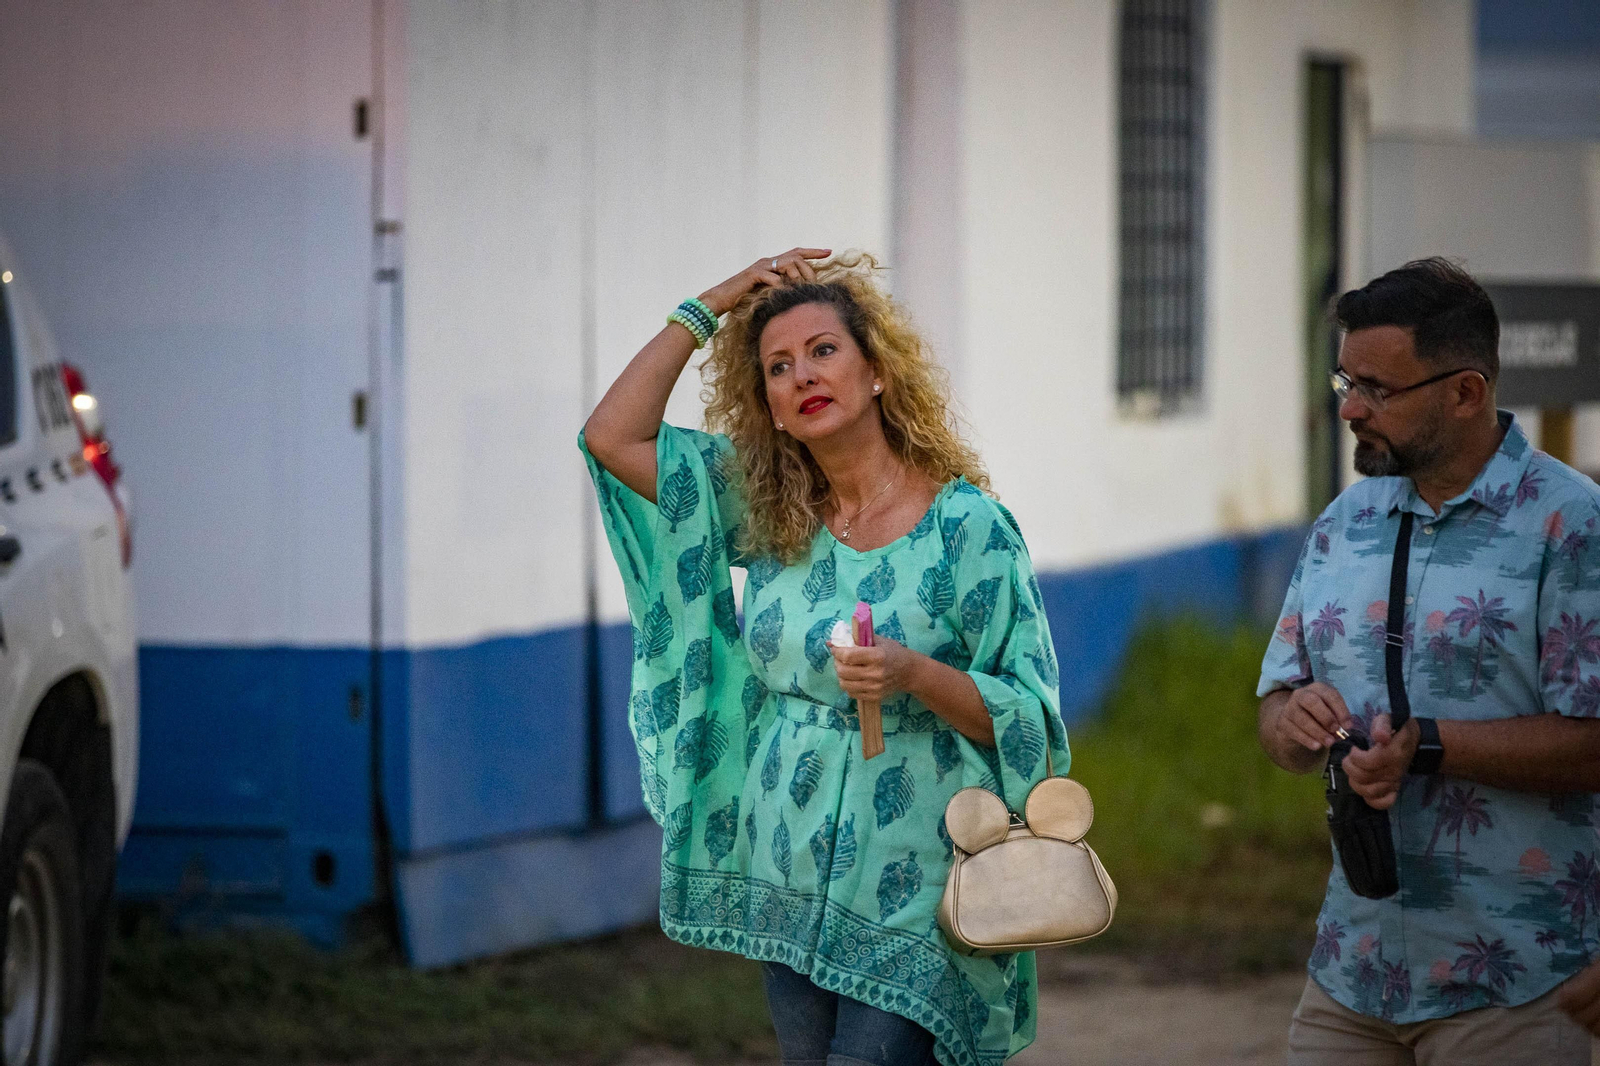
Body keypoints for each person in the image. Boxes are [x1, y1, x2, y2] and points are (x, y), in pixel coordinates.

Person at [580, 249, 1067, 1066]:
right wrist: (714, 302)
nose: (802, 373)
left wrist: (915, 674)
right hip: (787, 857)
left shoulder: (969, 528)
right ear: (768, 405)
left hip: (920, 866)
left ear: (877, 371)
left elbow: (1028, 714)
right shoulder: (769, 510)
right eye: (778, 366)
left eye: (824, 350)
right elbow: (611, 434)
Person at [1256, 257, 1600, 1064]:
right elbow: (1275, 710)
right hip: (1352, 970)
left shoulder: (1570, 525)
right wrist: (1293, 723)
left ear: (1466, 393)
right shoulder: (1346, 519)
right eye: (1346, 381)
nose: (1351, 409)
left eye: (1378, 389)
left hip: (1517, 976)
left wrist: (1433, 747)